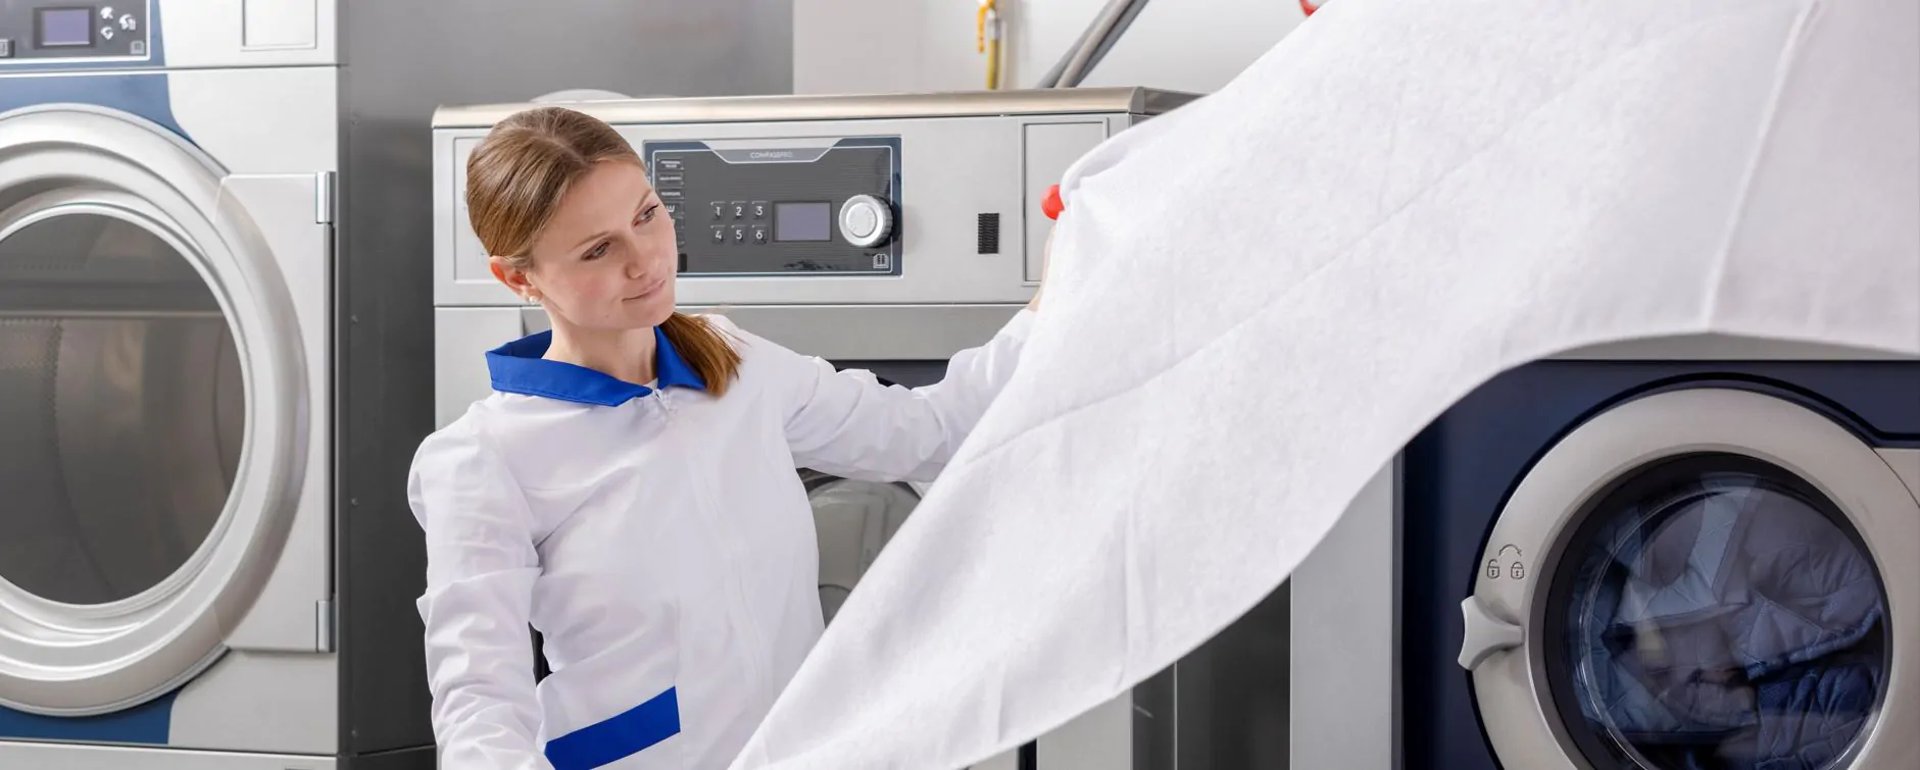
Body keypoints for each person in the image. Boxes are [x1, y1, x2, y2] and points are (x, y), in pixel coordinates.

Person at [406, 106, 1045, 770]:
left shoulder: (733, 361)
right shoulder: (485, 458)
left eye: (647, 215)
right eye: (598, 249)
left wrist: (1051, 303)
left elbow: (933, 432)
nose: (645, 260)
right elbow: (480, 705)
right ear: (518, 276)